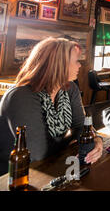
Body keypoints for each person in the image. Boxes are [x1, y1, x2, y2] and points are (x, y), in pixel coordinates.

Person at [0, 38, 103, 174]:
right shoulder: (21, 96)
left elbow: (81, 126)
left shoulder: (69, 88)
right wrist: (73, 137)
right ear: (59, 64)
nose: (80, 65)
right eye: (76, 61)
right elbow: (39, 153)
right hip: (14, 174)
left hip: (51, 166)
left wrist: (97, 139)